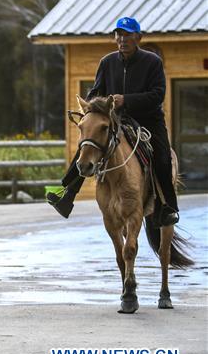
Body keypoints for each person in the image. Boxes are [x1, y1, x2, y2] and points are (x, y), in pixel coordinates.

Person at [47, 16, 179, 226]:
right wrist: (92, 106)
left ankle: (168, 208)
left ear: (138, 37)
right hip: (116, 119)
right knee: (88, 145)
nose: (122, 39)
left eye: (127, 35)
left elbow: (157, 95)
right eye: (119, 34)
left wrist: (126, 100)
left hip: (148, 120)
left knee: (162, 157)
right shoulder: (107, 62)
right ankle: (67, 195)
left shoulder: (152, 61)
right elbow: (96, 91)